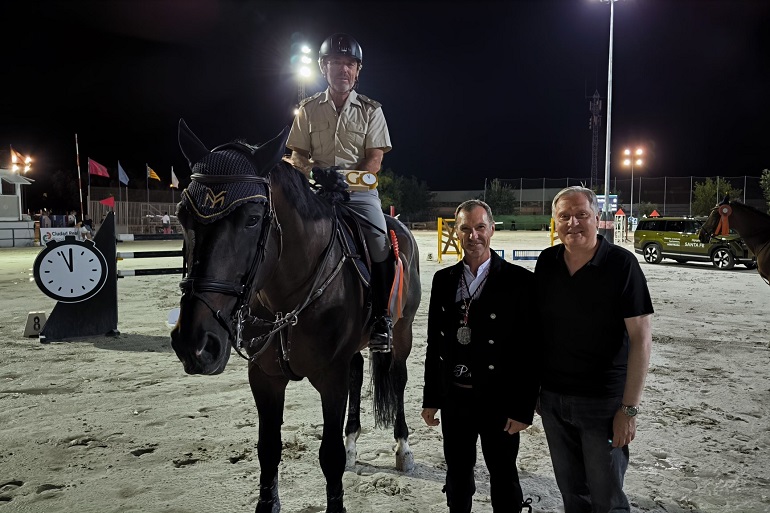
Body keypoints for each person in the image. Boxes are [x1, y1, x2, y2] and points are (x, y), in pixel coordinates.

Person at [534, 186, 654, 513]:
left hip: (602, 406)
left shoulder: (622, 264)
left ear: (597, 218)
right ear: (555, 222)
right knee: (573, 495)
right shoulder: (547, 262)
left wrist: (628, 410)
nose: (573, 222)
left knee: (607, 500)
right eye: (564, 216)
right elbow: (536, 331)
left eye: (581, 215)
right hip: (554, 403)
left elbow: (641, 339)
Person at [421, 200, 539, 513]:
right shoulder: (443, 280)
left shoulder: (519, 281)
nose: (473, 235)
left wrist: (523, 408)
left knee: (503, 473)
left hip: (499, 401)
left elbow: (530, 351)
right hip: (455, 398)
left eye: (480, 227)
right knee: (458, 473)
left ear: (492, 230)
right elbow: (436, 345)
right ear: (455, 232)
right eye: (465, 229)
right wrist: (431, 398)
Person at [286, 33, 394, 352]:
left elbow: (374, 159)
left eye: (349, 64)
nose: (342, 70)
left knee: (379, 240)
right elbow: (297, 155)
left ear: (357, 71)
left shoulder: (372, 110)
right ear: (323, 67)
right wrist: (313, 173)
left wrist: (344, 179)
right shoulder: (307, 109)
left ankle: (382, 319)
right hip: (315, 190)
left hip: (358, 192)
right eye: (335, 63)